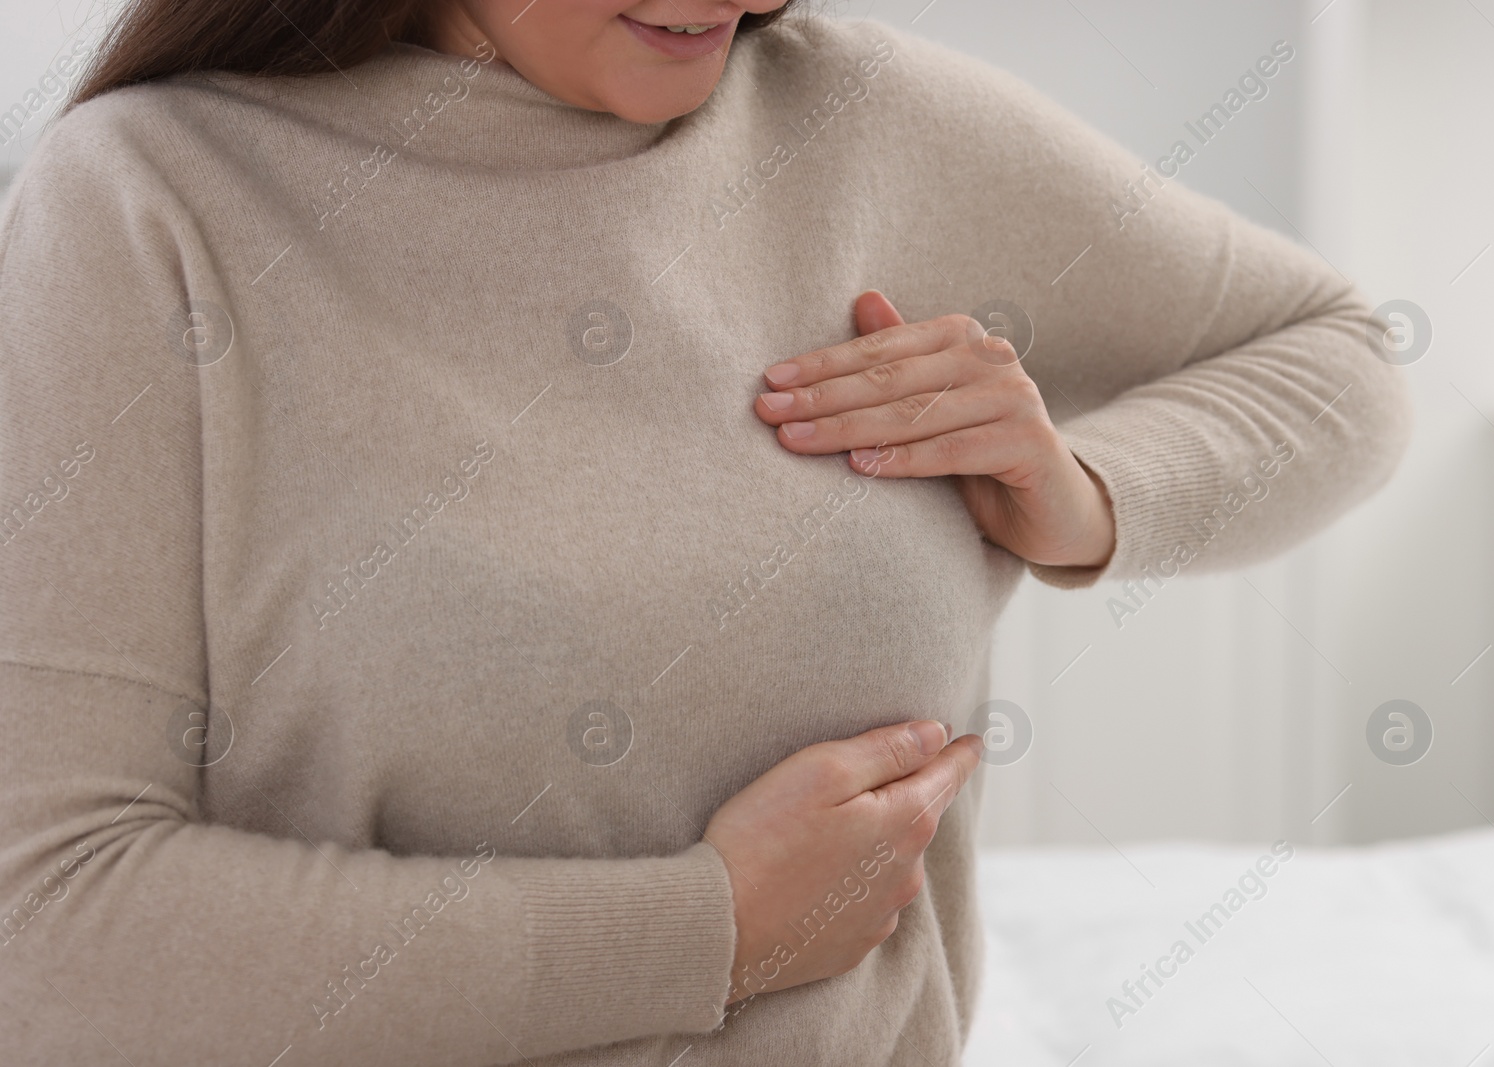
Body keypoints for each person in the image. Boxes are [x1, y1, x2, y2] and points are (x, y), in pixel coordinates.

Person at [0, 1, 1410, 1064]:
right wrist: (710, 932)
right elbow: (44, 933)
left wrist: (1081, 488)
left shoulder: (861, 119)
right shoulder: (151, 201)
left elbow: (1339, 354)